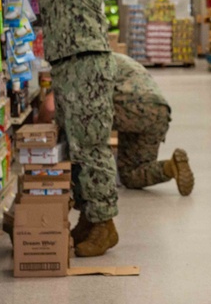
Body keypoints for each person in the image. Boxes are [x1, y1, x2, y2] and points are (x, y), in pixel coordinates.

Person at [0, 0, 120, 258]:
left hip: (86, 61)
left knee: (91, 146)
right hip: (69, 60)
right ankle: (92, 218)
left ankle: (105, 225)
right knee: (78, 145)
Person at [70, 52, 195, 242]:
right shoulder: (118, 59)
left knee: (87, 126)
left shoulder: (87, 65)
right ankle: (171, 167)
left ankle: (93, 203)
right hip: (159, 112)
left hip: (131, 108)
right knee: (131, 174)